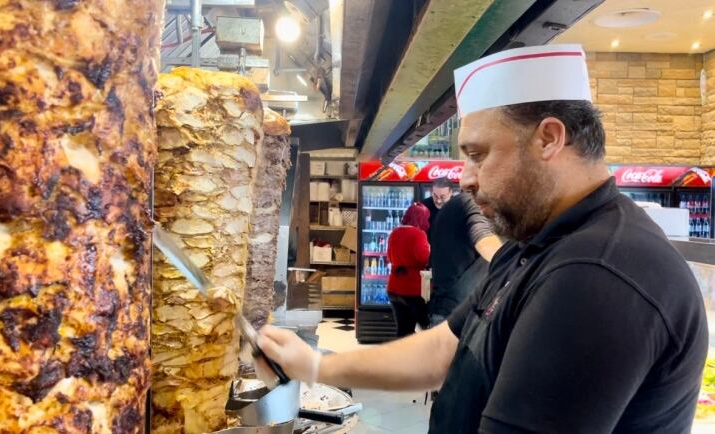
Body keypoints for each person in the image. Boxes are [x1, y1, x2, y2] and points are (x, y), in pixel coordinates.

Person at [256, 44, 708, 433]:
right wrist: (318, 367)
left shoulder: (598, 274)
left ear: (549, 138)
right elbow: (442, 351)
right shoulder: (534, 245)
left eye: (478, 154)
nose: (465, 180)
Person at [427, 192, 501, 326]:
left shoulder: (453, 206)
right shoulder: (471, 204)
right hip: (460, 313)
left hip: (447, 307)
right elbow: (484, 240)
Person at [386, 202, 431, 337]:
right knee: (426, 326)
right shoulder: (418, 234)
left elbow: (389, 257)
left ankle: (401, 357)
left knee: (403, 331)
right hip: (413, 289)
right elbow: (423, 258)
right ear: (421, 219)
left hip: (394, 287)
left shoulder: (395, 232)